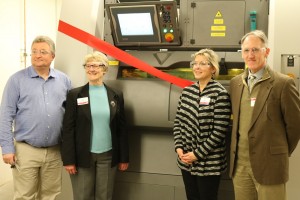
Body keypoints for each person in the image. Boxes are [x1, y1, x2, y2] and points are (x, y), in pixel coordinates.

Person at [229, 30, 300, 200]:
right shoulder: (235, 83)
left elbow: (295, 126)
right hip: (241, 167)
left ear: (266, 51)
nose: (250, 55)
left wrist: (279, 150)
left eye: (255, 49)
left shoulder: (283, 83)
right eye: (246, 50)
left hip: (270, 165)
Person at [0, 35, 72, 199]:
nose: (37, 55)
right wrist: (7, 148)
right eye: (34, 52)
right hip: (26, 150)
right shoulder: (16, 80)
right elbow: (5, 116)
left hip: (55, 151)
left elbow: (70, 116)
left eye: (43, 52)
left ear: (52, 56)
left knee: (51, 195)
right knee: (25, 195)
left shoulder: (64, 80)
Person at [61, 51, 129, 200]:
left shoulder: (116, 95)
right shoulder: (75, 95)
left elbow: (121, 129)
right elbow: (68, 129)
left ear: (104, 69)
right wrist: (69, 160)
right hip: (82, 156)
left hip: (108, 156)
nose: (92, 69)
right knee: (82, 196)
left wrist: (124, 157)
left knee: (104, 196)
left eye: (97, 66)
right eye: (88, 65)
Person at [173, 49, 231, 200]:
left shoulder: (220, 94)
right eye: (195, 63)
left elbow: (219, 131)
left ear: (213, 68)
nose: (196, 67)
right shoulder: (187, 92)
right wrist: (179, 148)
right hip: (186, 161)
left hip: (209, 164)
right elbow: (178, 122)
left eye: (202, 64)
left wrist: (197, 154)